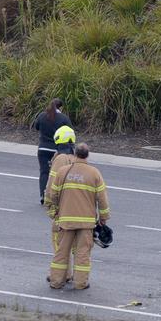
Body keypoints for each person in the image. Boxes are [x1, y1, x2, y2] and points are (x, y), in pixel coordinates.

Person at [45, 143, 109, 290]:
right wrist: (103, 217)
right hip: (86, 223)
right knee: (82, 253)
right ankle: (80, 283)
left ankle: (56, 282)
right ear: (87, 155)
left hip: (66, 220)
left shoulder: (62, 172)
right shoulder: (94, 173)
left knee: (62, 252)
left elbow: (53, 194)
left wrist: (54, 211)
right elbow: (102, 198)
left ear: (74, 154)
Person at [45, 125, 77, 279]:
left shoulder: (59, 160)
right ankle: (75, 276)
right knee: (76, 247)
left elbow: (52, 185)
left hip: (63, 211)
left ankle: (59, 275)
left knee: (59, 244)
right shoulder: (79, 159)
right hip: (80, 210)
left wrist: (49, 205)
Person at [33, 98, 72, 204]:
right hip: (57, 150)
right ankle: (56, 196)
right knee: (57, 173)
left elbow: (36, 127)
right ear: (61, 107)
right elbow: (70, 131)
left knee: (44, 172)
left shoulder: (42, 115)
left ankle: (43, 194)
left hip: (43, 148)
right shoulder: (64, 118)